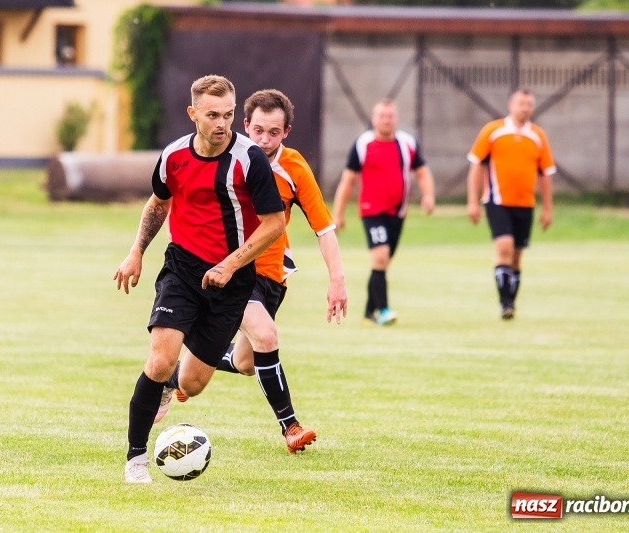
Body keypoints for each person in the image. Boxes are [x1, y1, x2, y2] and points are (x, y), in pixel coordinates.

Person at [114, 75, 285, 484]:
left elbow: (274, 224)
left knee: (193, 380)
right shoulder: (173, 156)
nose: (222, 123)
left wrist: (230, 264)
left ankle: (174, 384)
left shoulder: (249, 160)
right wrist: (136, 250)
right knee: (159, 358)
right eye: (212, 115)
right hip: (183, 270)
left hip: (233, 281)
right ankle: (135, 459)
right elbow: (159, 203)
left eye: (228, 114)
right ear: (193, 114)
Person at [169, 89, 348, 454]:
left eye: (274, 132)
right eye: (259, 130)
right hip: (232, 271)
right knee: (266, 336)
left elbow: (324, 228)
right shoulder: (228, 157)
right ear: (246, 124)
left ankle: (170, 376)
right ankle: (290, 427)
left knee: (246, 362)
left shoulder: (294, 168)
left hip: (272, 277)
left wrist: (337, 280)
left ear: (287, 132)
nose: (265, 140)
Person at [331, 98, 435, 326]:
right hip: (372, 212)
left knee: (383, 262)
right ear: (374, 118)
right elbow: (347, 181)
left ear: (396, 119)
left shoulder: (407, 143)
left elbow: (422, 172)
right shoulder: (363, 144)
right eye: (382, 116)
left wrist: (428, 196)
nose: (386, 120)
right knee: (380, 258)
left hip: (398, 213)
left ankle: (369, 313)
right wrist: (338, 214)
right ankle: (384, 310)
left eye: (390, 116)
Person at [466, 88, 556, 320]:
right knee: (504, 248)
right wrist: (472, 202)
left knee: (516, 256)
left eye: (528, 104)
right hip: (497, 201)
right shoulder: (493, 131)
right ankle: (504, 303)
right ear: (510, 105)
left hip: (525, 203)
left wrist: (547, 209)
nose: (524, 108)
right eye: (521, 103)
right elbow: (476, 165)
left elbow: (545, 174)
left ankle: (511, 303)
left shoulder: (537, 135)